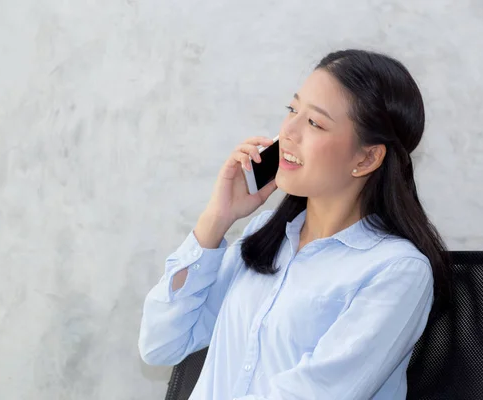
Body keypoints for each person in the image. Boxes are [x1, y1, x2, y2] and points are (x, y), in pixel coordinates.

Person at [138, 49, 451, 400]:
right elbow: (161, 344)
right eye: (292, 110)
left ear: (366, 157)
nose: (288, 131)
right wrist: (216, 220)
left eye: (314, 123)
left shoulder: (397, 271)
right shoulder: (263, 236)